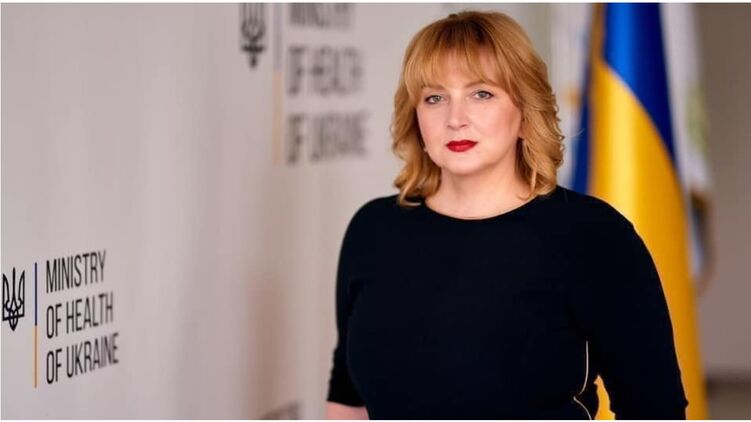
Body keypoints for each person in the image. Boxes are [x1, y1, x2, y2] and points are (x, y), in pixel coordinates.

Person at [325, 10, 688, 420]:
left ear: (524, 112)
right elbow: (348, 396)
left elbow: (655, 409)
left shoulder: (594, 237)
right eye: (435, 98)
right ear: (415, 115)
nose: (455, 119)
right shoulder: (373, 230)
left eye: (481, 94)